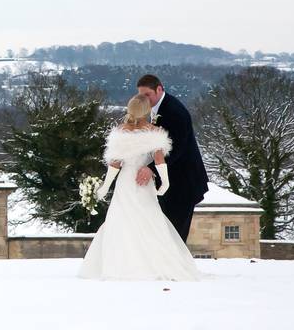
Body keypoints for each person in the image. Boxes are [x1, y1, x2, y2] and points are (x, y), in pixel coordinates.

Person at [78, 94, 200, 280]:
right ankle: (153, 263)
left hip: (125, 182)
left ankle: (119, 264)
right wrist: (165, 183)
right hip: (143, 184)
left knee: (121, 219)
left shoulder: (120, 133)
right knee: (149, 220)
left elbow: (115, 164)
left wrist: (105, 186)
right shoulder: (154, 133)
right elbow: (160, 162)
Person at [134, 74, 209, 241]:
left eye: (147, 95)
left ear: (159, 89)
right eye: (141, 96)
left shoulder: (174, 111)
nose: (144, 99)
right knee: (165, 234)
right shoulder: (157, 108)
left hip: (183, 183)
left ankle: (177, 267)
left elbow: (176, 149)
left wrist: (151, 168)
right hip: (171, 181)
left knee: (175, 236)